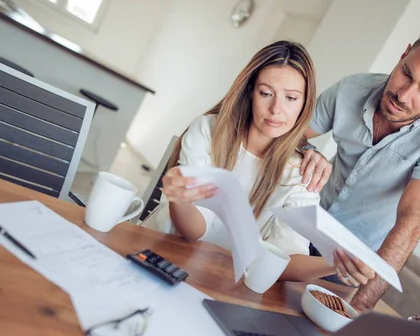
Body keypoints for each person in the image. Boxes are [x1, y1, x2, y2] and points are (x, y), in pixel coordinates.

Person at [297, 23, 420, 311]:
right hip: (300, 223)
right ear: (403, 55)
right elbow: (289, 136)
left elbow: (411, 223)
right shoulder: (351, 89)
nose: (404, 95)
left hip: (348, 262)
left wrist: (358, 308)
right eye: (407, 74)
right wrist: (308, 152)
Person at [143, 41, 362, 282]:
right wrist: (180, 199)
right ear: (250, 91)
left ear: (304, 105)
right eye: (266, 93)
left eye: (291, 98)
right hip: (158, 254)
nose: (276, 109)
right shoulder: (208, 131)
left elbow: (285, 258)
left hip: (214, 279)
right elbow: (194, 231)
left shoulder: (300, 173)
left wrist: (338, 262)